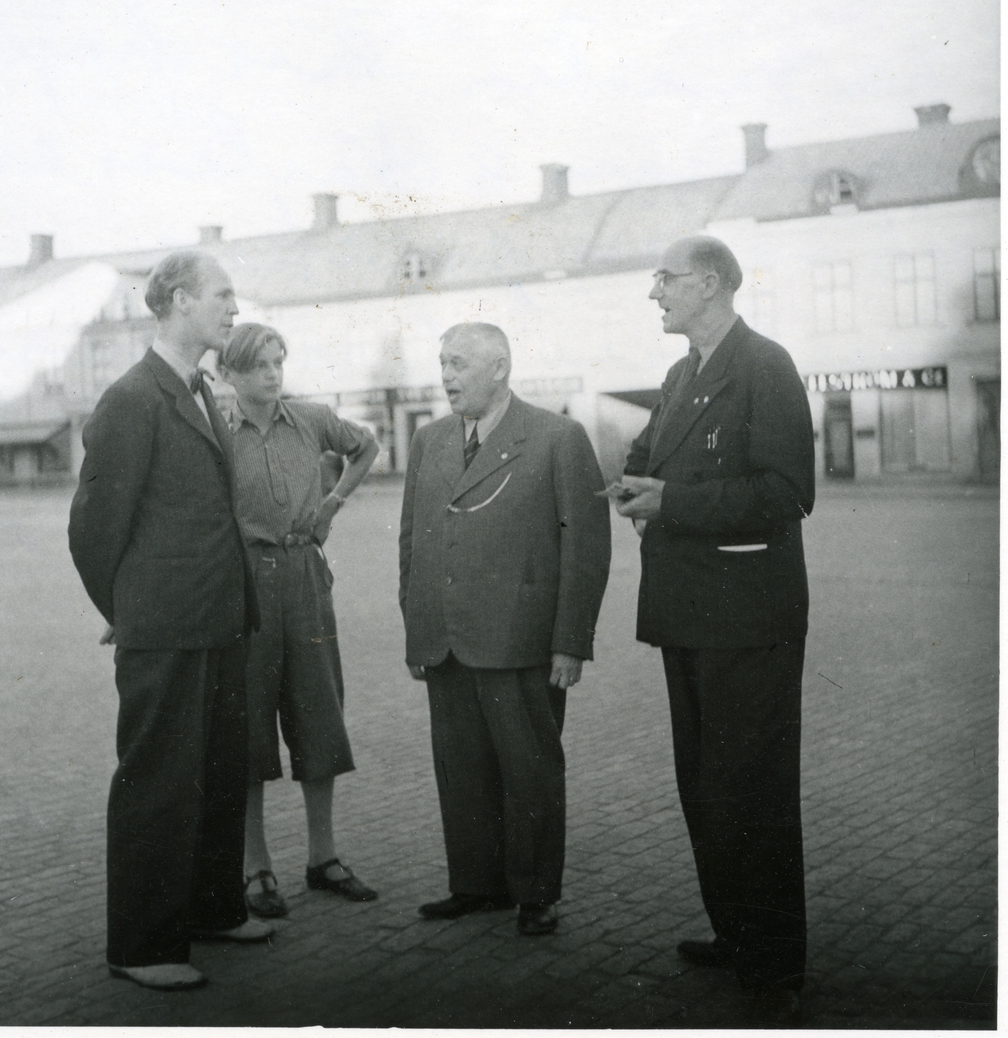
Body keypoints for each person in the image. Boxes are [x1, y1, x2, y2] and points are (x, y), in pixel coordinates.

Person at [612, 236, 814, 1012]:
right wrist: (633, 488)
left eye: (663, 278)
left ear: (706, 283)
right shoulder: (678, 374)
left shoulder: (764, 365)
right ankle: (735, 931)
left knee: (752, 790)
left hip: (748, 618)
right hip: (688, 613)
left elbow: (786, 492)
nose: (652, 292)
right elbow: (648, 461)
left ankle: (773, 964)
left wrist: (671, 502)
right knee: (704, 785)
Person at [68, 251, 270, 993]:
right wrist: (129, 611)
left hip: (218, 620)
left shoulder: (200, 389)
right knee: (157, 781)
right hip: (166, 627)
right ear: (180, 300)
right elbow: (93, 530)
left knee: (218, 771)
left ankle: (212, 909)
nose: (234, 308)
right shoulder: (132, 398)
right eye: (222, 294)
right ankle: (142, 943)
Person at [399, 323, 611, 937]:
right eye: (442, 363)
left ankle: (535, 893)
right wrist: (418, 628)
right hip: (446, 642)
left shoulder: (557, 437)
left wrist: (571, 641)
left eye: (459, 364)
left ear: (499, 367)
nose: (447, 376)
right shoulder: (428, 440)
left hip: (520, 641)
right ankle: (476, 885)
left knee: (529, 770)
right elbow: (413, 540)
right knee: (460, 769)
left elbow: (586, 548)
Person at [216, 323, 381, 918]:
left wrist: (333, 502)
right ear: (229, 375)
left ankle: (323, 857)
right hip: (245, 584)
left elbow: (366, 446)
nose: (272, 374)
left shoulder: (310, 419)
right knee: (248, 723)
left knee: (318, 711)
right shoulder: (215, 429)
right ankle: (256, 867)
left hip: (306, 576)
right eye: (258, 365)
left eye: (277, 362)